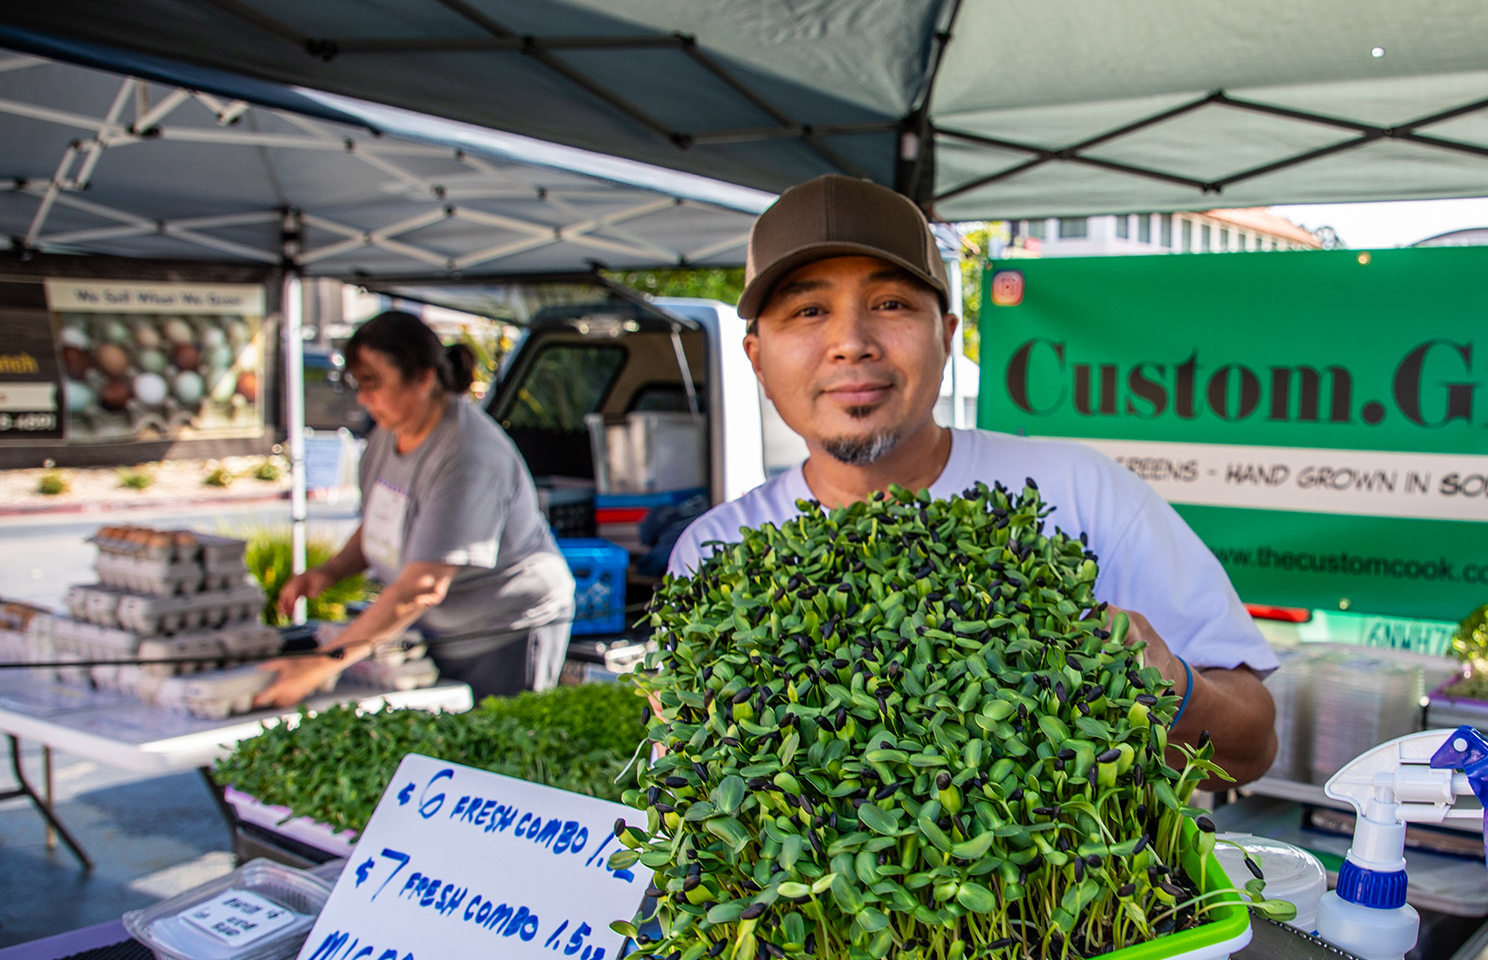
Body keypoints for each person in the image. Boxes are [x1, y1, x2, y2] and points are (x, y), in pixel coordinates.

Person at [667, 175, 1279, 783]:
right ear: (756, 358)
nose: (851, 344)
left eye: (890, 304)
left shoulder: (1079, 491)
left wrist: (1170, 686)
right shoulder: (718, 553)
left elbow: (1251, 750)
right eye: (808, 311)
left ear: (946, 335)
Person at [255, 311, 574, 707]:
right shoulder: (386, 435)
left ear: (423, 378)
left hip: (504, 629)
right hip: (435, 630)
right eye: (358, 385)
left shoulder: (468, 456)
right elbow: (384, 525)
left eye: (373, 383)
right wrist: (330, 571)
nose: (363, 398)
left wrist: (320, 666)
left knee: (496, 738)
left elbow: (422, 588)